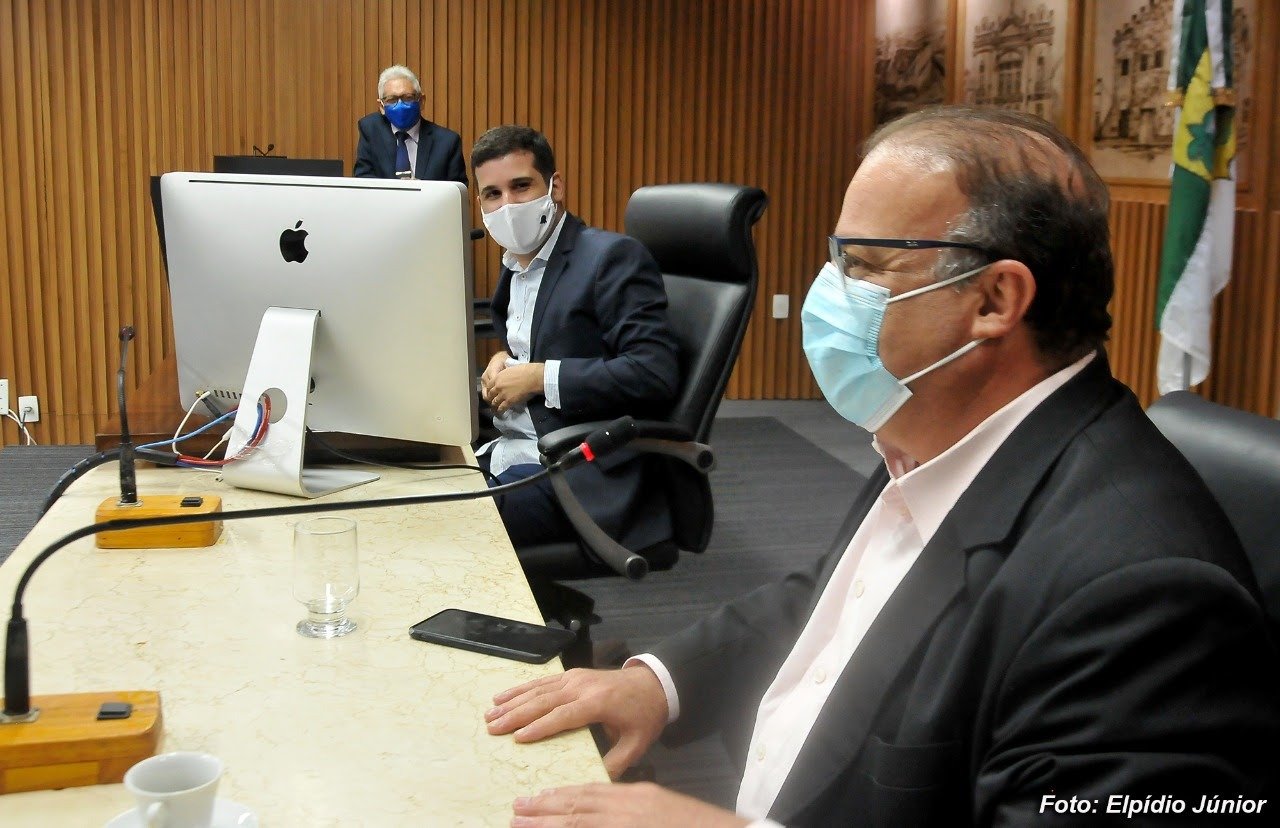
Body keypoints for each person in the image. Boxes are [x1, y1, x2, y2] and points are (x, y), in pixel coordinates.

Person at [483, 106, 1280, 826]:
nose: (827, 292)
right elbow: (833, 601)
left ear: (995, 300)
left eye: (864, 265)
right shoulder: (940, 426)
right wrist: (659, 683)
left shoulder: (1144, 602)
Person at [471, 124, 679, 551]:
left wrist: (537, 377)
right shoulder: (515, 266)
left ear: (556, 186)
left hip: (577, 468)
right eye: (493, 194)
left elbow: (653, 373)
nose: (507, 205)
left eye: (521, 186)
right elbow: (552, 339)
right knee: (405, 490)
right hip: (511, 446)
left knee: (448, 519)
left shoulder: (610, 258)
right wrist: (505, 360)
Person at [353, 64, 467, 184]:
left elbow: (458, 190)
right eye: (392, 100)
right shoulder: (371, 131)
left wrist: (425, 190)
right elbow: (363, 180)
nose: (400, 105)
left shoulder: (447, 142)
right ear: (381, 107)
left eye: (407, 98)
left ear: (421, 101)